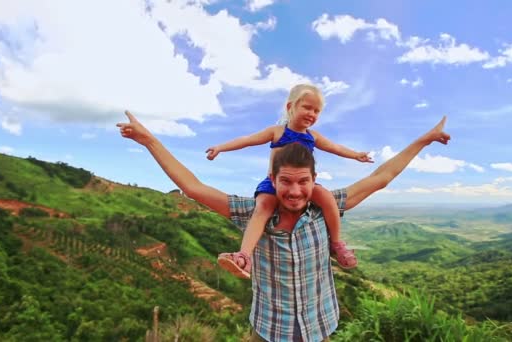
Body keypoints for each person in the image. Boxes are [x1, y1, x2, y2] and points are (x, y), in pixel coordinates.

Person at [117, 111, 450, 342]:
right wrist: (150, 142)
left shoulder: (324, 208)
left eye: (303, 182)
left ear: (314, 180)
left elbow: (382, 177)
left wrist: (424, 140)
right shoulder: (253, 212)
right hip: (268, 331)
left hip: (319, 327)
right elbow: (193, 187)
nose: (294, 191)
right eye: (285, 182)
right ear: (272, 180)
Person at [205, 84, 373, 279]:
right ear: (290, 107)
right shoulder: (277, 132)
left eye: (317, 111)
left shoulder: (313, 136)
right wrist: (220, 148)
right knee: (262, 209)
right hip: (274, 185)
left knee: (327, 197)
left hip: (302, 186)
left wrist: (356, 155)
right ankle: (244, 257)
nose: (312, 113)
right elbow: (248, 139)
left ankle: (336, 244)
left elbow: (334, 147)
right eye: (307, 107)